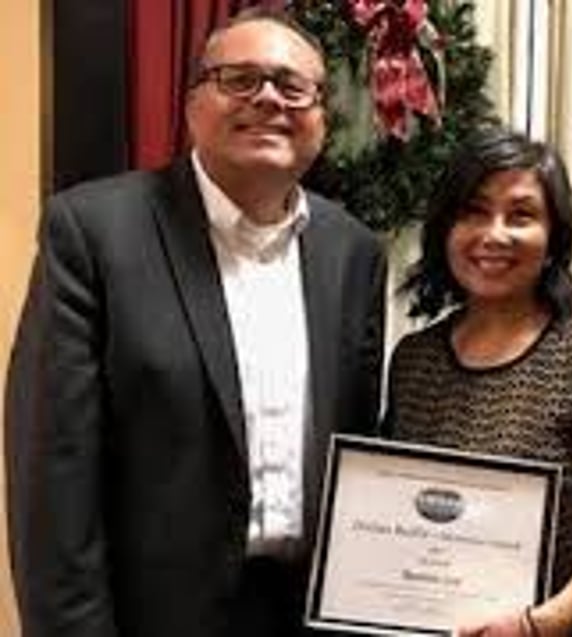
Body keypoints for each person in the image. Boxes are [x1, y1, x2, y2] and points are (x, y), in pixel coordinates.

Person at [4, 9, 386, 637]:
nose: (268, 98)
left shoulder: (354, 253)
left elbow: (357, 444)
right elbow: (53, 478)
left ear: (321, 117)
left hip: (310, 616)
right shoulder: (95, 234)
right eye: (240, 79)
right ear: (192, 106)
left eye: (293, 87)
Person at [383, 128, 572, 637]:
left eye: (521, 215)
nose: (494, 234)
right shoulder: (414, 361)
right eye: (473, 211)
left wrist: (538, 625)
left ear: (554, 238)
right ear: (445, 229)